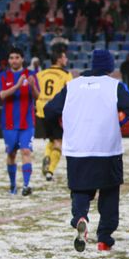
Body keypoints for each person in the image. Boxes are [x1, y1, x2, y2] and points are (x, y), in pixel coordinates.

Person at [44, 49, 129, 253]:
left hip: (77, 149)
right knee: (109, 192)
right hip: (107, 149)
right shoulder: (114, 85)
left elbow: (49, 110)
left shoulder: (72, 86)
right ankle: (104, 239)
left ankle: (80, 217)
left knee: (80, 190)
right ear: (109, 67)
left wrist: (64, 126)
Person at [0, 46, 39, 196]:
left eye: (17, 57)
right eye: (11, 58)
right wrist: (18, 85)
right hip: (8, 124)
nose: (14, 60)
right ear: (8, 60)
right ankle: (13, 185)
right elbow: (2, 95)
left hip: (27, 123)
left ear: (22, 59)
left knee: (26, 151)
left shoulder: (32, 74)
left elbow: (38, 96)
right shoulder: (3, 76)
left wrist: (32, 86)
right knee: (12, 154)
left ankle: (26, 185)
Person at [35, 46, 73, 181]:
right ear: (59, 59)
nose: (66, 59)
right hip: (56, 111)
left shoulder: (41, 74)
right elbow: (70, 94)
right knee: (59, 142)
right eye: (64, 57)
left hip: (41, 111)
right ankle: (50, 171)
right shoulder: (66, 75)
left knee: (51, 139)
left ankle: (46, 155)